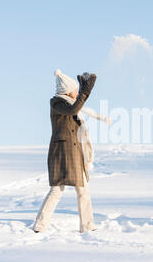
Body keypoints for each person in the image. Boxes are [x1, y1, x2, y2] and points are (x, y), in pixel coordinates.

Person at [33, 69, 109, 233]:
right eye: (75, 90)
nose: (76, 92)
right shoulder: (57, 103)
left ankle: (87, 226)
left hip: (75, 152)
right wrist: (84, 93)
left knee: (83, 190)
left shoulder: (70, 103)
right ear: (67, 90)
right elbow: (73, 110)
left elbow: (77, 106)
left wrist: (85, 93)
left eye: (77, 90)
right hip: (62, 152)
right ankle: (40, 225)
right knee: (57, 190)